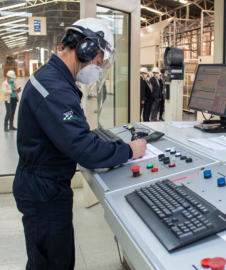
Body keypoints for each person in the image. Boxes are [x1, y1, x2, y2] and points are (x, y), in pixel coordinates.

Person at [13, 18, 147, 270]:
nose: (97, 68)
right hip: (44, 189)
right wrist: (130, 149)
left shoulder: (54, 78)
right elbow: (84, 151)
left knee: (48, 259)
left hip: (43, 183)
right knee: (54, 263)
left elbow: (72, 135)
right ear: (85, 49)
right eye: (97, 62)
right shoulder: (55, 88)